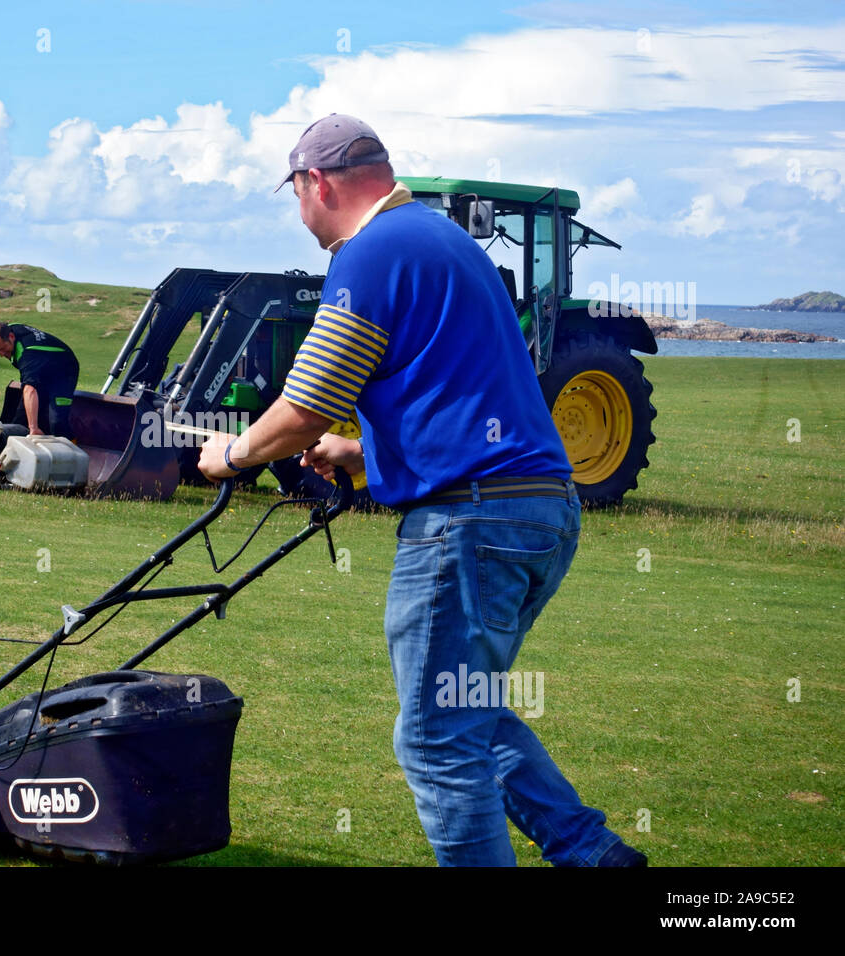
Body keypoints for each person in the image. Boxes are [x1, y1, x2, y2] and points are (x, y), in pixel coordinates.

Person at [197, 114, 645, 867]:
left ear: (318, 182)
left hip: (469, 522)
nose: (299, 212)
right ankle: (593, 854)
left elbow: (307, 400)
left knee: (435, 738)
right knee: (466, 714)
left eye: (295, 193)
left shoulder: (369, 253)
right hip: (539, 509)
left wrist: (233, 453)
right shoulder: (445, 244)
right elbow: (461, 392)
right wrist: (364, 454)